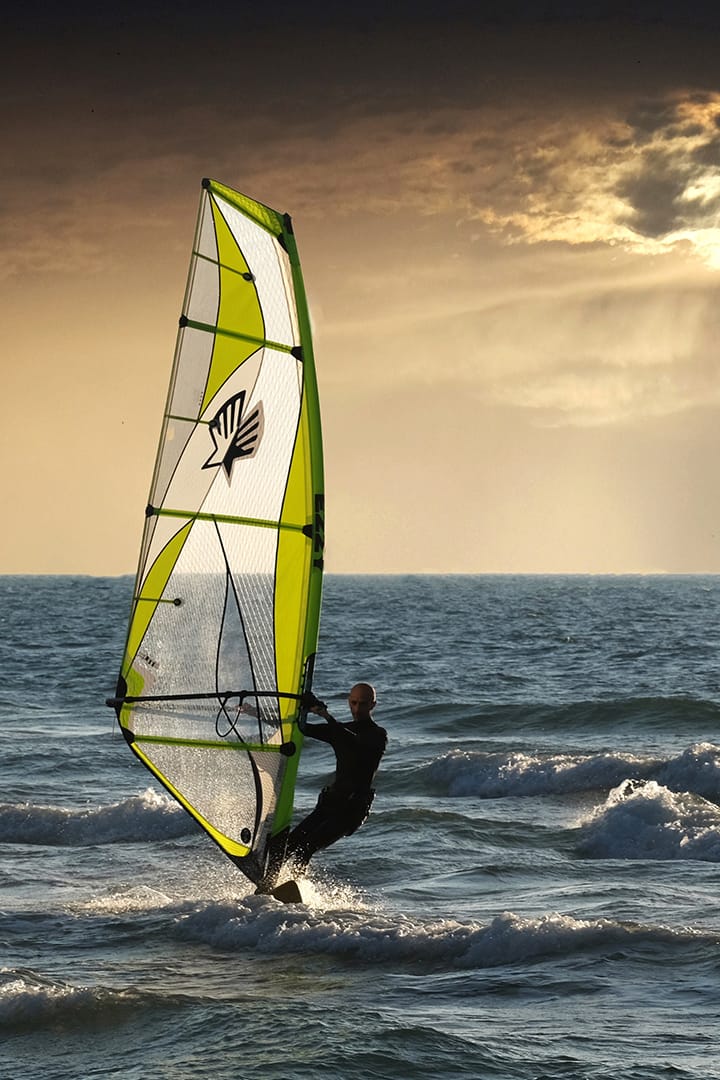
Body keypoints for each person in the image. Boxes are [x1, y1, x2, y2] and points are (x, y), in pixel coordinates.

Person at [283, 682, 387, 875]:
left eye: (363, 704)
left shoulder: (378, 735)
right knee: (289, 844)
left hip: (352, 810)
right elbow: (302, 727)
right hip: (330, 803)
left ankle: (294, 884)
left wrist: (327, 716)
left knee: (307, 848)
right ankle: (268, 884)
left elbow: (354, 743)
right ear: (349, 701)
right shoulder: (339, 730)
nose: (357, 709)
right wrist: (256, 712)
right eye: (354, 703)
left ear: (373, 705)